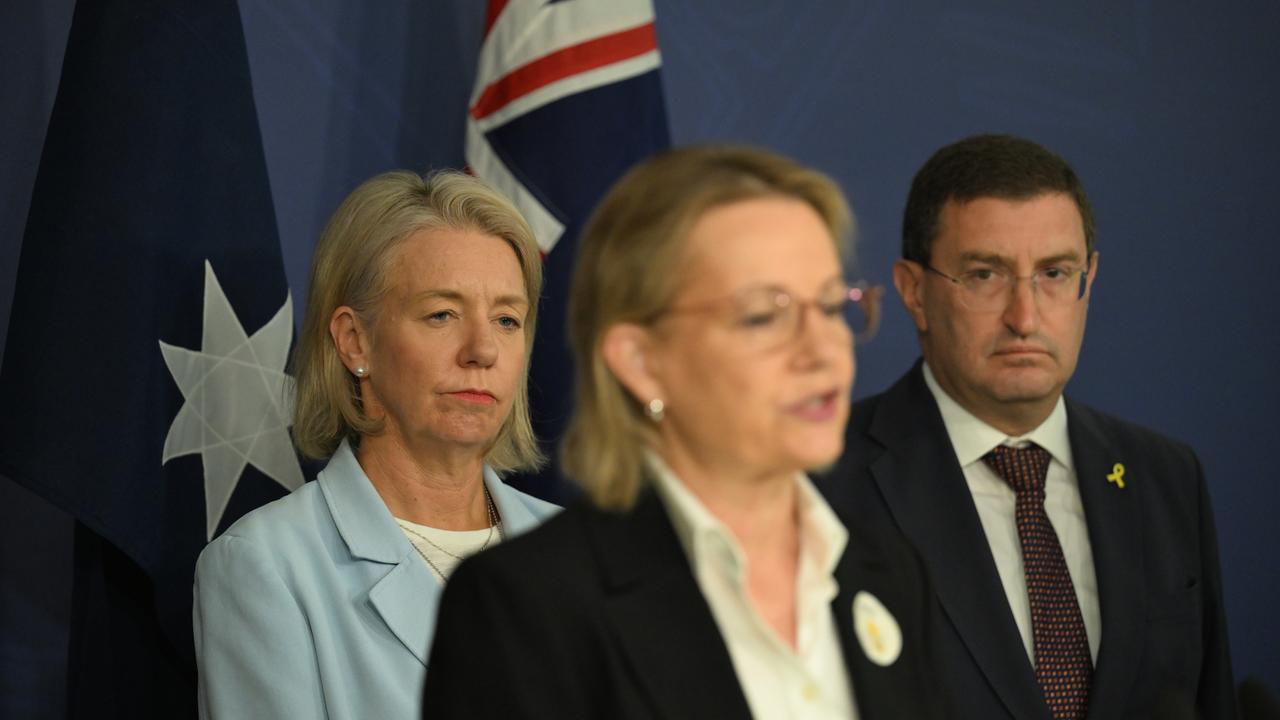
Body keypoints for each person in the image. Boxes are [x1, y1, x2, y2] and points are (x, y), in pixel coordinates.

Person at [422, 146, 942, 719]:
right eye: (765, 315)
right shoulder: (528, 606)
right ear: (641, 360)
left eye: (828, 305)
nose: (823, 351)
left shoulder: (888, 572)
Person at [819, 134, 1236, 719]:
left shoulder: (1165, 477)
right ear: (915, 292)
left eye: (1055, 274)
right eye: (986, 275)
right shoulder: (821, 483)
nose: (1025, 316)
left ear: (1088, 279)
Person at [192, 170, 559, 719]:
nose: (483, 349)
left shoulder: (581, 553)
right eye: (443, 314)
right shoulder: (268, 566)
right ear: (354, 341)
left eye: (507, 319)